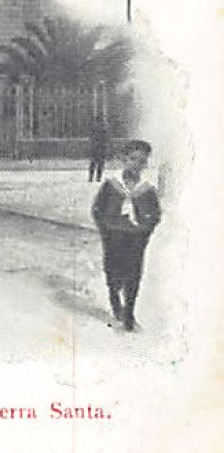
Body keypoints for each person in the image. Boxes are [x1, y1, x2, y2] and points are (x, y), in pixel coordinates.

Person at [91, 139, 161, 332]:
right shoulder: (111, 185)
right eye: (132, 159)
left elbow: (155, 215)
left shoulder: (147, 190)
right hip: (113, 236)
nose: (136, 165)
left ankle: (129, 312)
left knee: (134, 274)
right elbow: (97, 209)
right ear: (123, 160)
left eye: (141, 161)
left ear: (145, 164)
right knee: (113, 272)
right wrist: (105, 228)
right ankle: (115, 300)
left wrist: (145, 229)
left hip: (136, 238)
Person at [88, 115, 110, 183]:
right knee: (100, 164)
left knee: (93, 163)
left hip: (95, 148)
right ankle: (98, 178)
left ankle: (91, 178)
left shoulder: (94, 128)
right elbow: (107, 139)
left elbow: (91, 138)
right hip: (101, 148)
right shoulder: (104, 128)